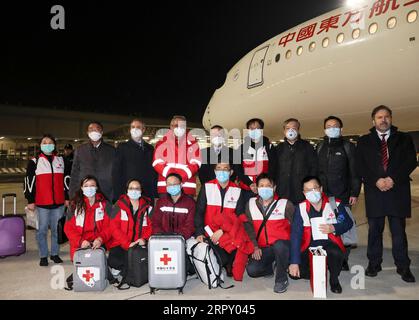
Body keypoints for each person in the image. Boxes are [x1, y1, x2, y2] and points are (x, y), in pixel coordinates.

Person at [356, 105, 417, 283]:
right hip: (375, 192)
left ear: (391, 118)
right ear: (373, 120)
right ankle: (374, 264)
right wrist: (376, 180)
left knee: (398, 232)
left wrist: (392, 179)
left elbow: (410, 162)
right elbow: (360, 165)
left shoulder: (404, 138)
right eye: (379, 117)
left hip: (397, 191)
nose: (383, 120)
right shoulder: (364, 141)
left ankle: (403, 266)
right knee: (374, 231)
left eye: (387, 116)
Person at [289, 176, 353, 294]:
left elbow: (348, 222)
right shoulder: (300, 208)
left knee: (336, 253)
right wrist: (294, 262)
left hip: (330, 243)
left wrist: (334, 227)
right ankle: (320, 269)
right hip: (309, 246)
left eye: (315, 188)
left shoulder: (335, 204)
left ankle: (334, 279)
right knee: (295, 274)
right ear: (304, 193)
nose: (312, 192)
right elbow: (295, 236)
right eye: (308, 190)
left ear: (321, 189)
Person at [195, 162, 254, 281]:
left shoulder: (237, 190)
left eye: (225, 169)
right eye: (219, 168)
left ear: (231, 172)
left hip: (229, 232)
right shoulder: (207, 187)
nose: (222, 171)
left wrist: (223, 230)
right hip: (209, 233)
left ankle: (229, 263)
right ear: (215, 171)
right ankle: (224, 262)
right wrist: (199, 232)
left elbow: (239, 216)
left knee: (232, 252)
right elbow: (199, 212)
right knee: (219, 258)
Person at [317, 116, 361, 270]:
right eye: (328, 126)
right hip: (323, 196)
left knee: (344, 226)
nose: (332, 128)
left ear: (341, 129)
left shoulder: (348, 146)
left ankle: (344, 258)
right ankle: (330, 253)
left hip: (342, 194)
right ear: (324, 129)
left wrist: (354, 192)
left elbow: (355, 172)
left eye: (335, 126)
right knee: (326, 225)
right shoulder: (320, 146)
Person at [24, 134, 70, 266]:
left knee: (57, 230)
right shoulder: (34, 161)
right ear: (40, 145)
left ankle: (54, 254)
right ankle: (43, 255)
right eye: (44, 142)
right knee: (42, 230)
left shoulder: (61, 160)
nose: (47, 144)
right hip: (42, 203)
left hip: (59, 203)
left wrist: (67, 197)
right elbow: (29, 182)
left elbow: (67, 180)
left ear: (54, 145)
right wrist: (30, 200)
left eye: (50, 142)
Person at [244, 173, 294, 293]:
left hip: (282, 246)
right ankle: (270, 268)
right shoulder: (250, 204)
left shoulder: (285, 204)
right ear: (257, 187)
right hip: (264, 248)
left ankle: (281, 279)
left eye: (268, 185)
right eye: (261, 185)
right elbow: (249, 227)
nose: (265, 188)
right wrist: (255, 246)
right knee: (252, 270)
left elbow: (296, 228)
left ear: (274, 188)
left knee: (280, 246)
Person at [108, 179, 153, 283]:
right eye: (131, 188)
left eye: (137, 188)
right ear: (126, 190)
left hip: (139, 245)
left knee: (145, 259)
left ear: (141, 191)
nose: (134, 190)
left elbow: (151, 227)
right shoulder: (118, 205)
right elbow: (114, 228)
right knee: (114, 259)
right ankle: (127, 269)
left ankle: (130, 269)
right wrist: (127, 243)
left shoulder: (148, 208)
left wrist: (144, 239)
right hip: (122, 244)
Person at [151, 173, 196, 274]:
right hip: (163, 238)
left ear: (181, 185)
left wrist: (177, 238)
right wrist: (161, 236)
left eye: (174, 184)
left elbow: (190, 226)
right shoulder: (161, 202)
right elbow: (155, 222)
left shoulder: (190, 203)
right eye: (169, 184)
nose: (172, 187)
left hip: (183, 239)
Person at [64, 175, 112, 262]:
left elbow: (110, 227)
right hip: (79, 244)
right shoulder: (74, 205)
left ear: (96, 188)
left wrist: (100, 239)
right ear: (81, 188)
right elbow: (68, 228)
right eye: (86, 186)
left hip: (99, 243)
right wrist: (80, 241)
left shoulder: (105, 205)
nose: (89, 188)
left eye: (92, 185)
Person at [270, 118, 318, 204]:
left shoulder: (307, 147)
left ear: (298, 130)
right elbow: (273, 169)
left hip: (301, 193)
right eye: (288, 128)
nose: (291, 130)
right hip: (282, 192)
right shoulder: (278, 149)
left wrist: (310, 187)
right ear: (284, 131)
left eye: (294, 128)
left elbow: (313, 168)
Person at [152, 115, 201, 197]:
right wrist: (172, 178)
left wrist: (179, 178)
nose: (176, 127)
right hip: (166, 187)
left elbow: (196, 163)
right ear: (170, 127)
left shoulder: (193, 143)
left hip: (186, 188)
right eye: (174, 125)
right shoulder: (161, 142)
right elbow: (157, 162)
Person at [112, 118, 158, 202]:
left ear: (143, 130)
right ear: (130, 130)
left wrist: (154, 193)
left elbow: (153, 172)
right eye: (133, 127)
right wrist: (118, 194)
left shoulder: (150, 148)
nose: (135, 129)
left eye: (138, 127)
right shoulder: (122, 147)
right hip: (130, 191)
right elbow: (116, 172)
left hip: (147, 191)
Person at [69, 121, 115, 201]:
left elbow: (116, 173)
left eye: (96, 129)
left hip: (106, 194)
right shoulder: (80, 150)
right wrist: (72, 194)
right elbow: (74, 174)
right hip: (85, 193)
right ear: (87, 133)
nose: (93, 132)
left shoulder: (112, 151)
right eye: (91, 129)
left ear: (101, 132)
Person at [236, 118, 273, 202]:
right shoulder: (241, 148)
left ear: (261, 130)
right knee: (247, 212)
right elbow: (238, 168)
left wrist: (265, 184)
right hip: (246, 189)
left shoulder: (269, 147)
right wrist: (250, 184)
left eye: (257, 128)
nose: (254, 131)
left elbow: (273, 167)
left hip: (265, 189)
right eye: (252, 129)